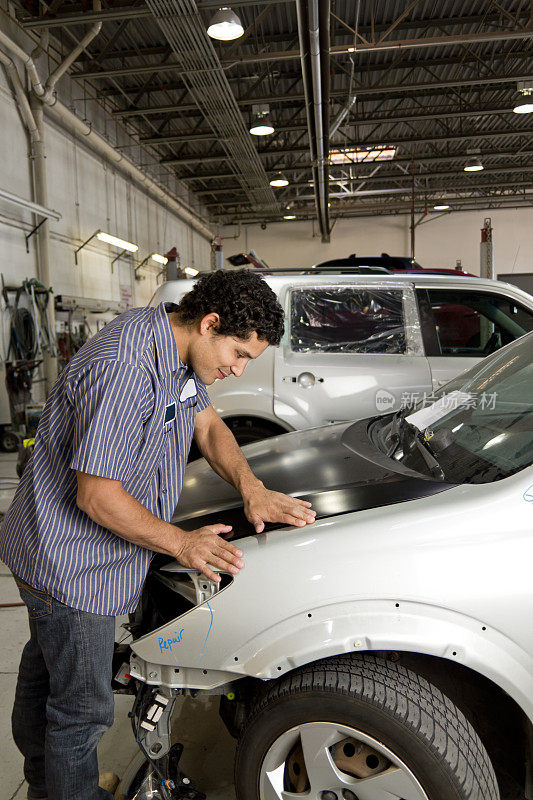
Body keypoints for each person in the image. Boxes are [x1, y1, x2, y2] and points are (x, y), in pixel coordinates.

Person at [0, 269, 316, 800]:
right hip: (71, 565)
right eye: (238, 354)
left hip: (70, 554)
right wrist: (183, 542)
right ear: (210, 323)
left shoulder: (177, 350)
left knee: (48, 676)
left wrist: (251, 487)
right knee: (82, 711)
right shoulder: (126, 366)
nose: (237, 370)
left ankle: (46, 785)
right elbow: (97, 495)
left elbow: (209, 425)